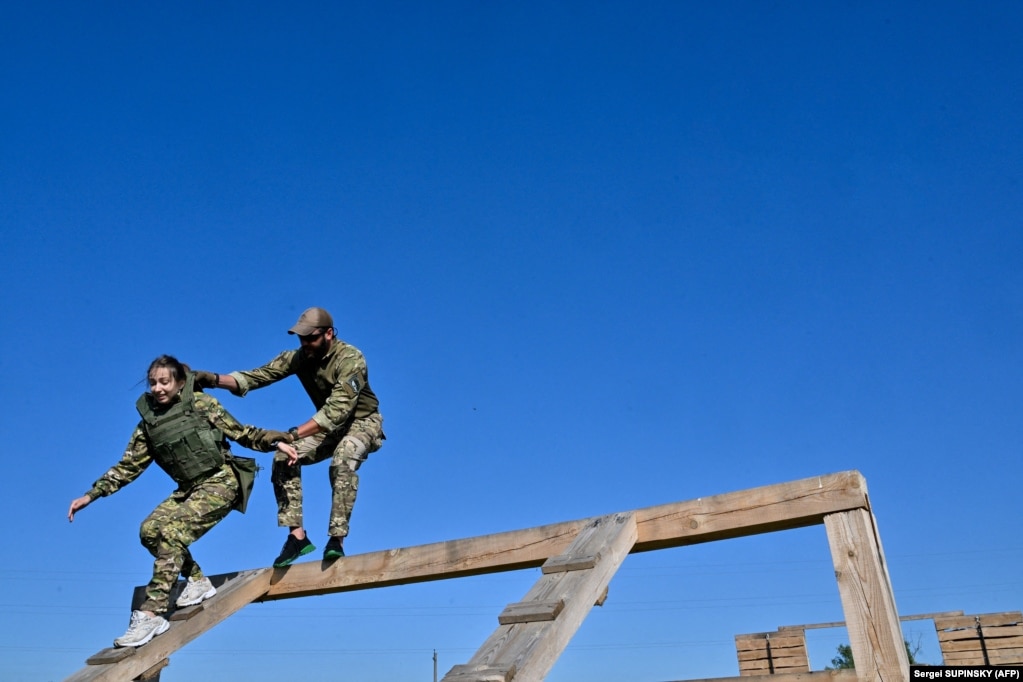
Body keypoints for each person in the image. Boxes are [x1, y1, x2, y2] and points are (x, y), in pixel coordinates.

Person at [68, 355, 297, 648]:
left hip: (221, 482)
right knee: (150, 530)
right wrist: (91, 495)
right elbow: (128, 466)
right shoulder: (148, 425)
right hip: (189, 488)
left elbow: (243, 433)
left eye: (164, 381)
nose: (158, 388)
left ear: (179, 383)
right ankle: (197, 581)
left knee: (173, 532)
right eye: (153, 382)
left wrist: (276, 441)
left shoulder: (202, 405)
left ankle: (152, 612)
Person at [194, 307, 385, 567]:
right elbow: (256, 377)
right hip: (328, 430)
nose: (305, 344)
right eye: (301, 339)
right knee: (284, 454)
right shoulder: (298, 358)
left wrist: (293, 433)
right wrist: (213, 380)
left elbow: (336, 411)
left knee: (342, 459)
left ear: (329, 334)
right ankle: (297, 537)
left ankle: (336, 540)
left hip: (363, 423)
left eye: (311, 338)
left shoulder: (350, 359)